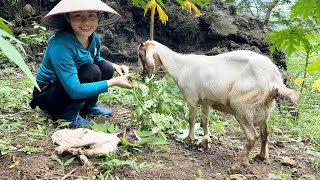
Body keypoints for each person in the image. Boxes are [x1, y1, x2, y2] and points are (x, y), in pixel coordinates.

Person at [29, 0, 133, 127]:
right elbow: (74, 90)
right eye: (78, 16)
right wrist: (114, 82)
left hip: (67, 84)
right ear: (68, 17)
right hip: (47, 93)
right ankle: (68, 116)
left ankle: (89, 107)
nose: (86, 22)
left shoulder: (93, 38)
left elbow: (96, 58)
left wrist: (116, 66)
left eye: (91, 15)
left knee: (105, 68)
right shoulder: (60, 45)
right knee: (92, 71)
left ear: (98, 17)